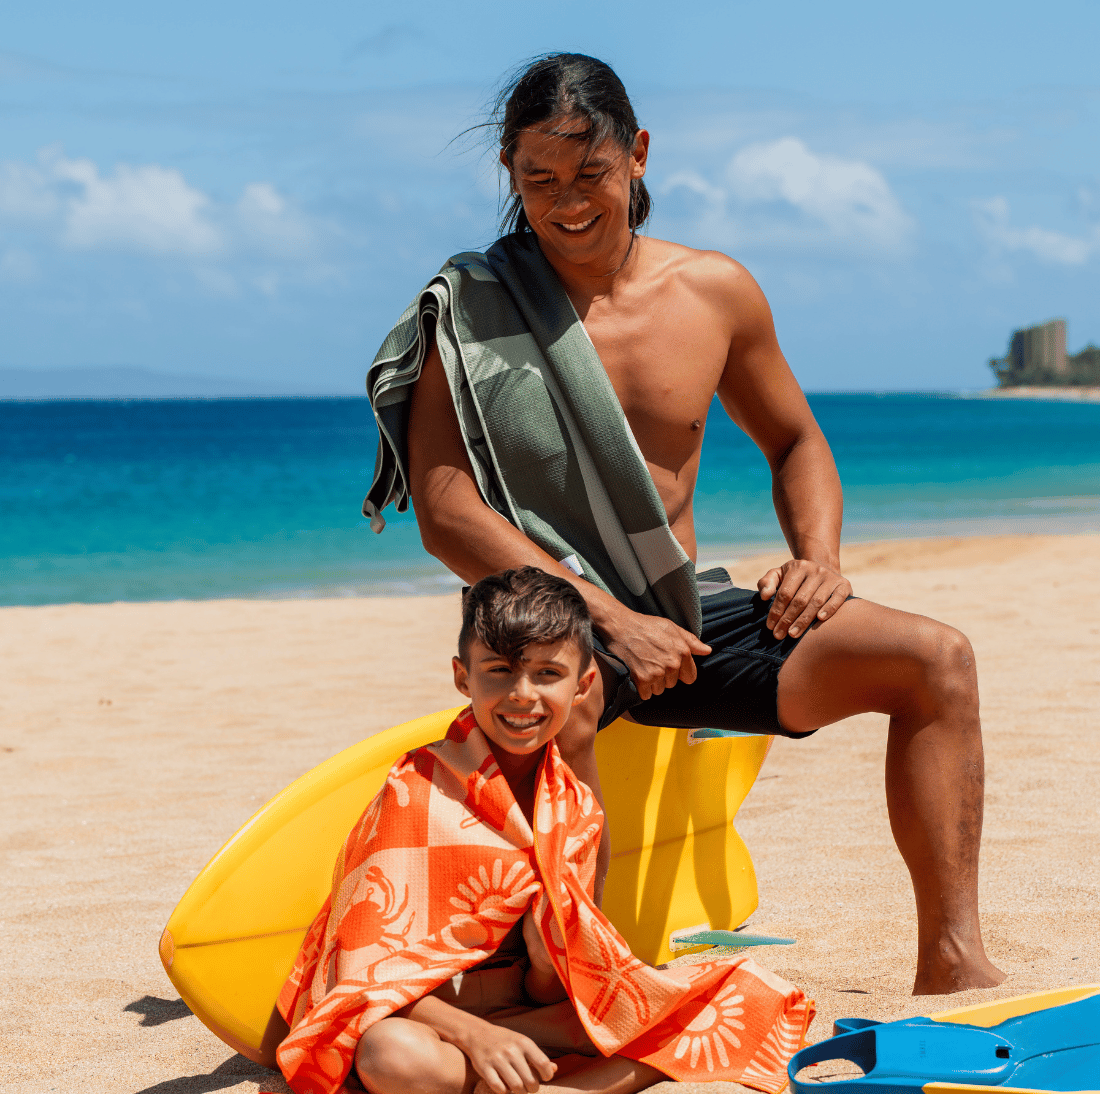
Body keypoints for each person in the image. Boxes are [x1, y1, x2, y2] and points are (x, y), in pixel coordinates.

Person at [361, 53, 1004, 997]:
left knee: (936, 659)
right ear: (510, 173)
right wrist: (602, 618)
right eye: (538, 181)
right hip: (556, 625)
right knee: (561, 695)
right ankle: (568, 987)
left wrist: (817, 560)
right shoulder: (465, 313)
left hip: (683, 617)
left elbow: (795, 442)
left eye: (590, 174)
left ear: (640, 155)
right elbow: (448, 509)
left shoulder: (713, 292)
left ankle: (951, 960)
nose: (567, 203)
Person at [247, 568, 813, 1094]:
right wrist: (475, 1035)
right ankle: (535, 1074)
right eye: (499, 672)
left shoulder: (567, 798)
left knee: (729, 995)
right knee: (390, 1059)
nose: (523, 695)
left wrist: (546, 964)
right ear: (462, 678)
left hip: (533, 1016)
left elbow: (571, 968)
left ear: (583, 683)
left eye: (548, 674)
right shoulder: (417, 790)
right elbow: (362, 974)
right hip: (427, 1020)